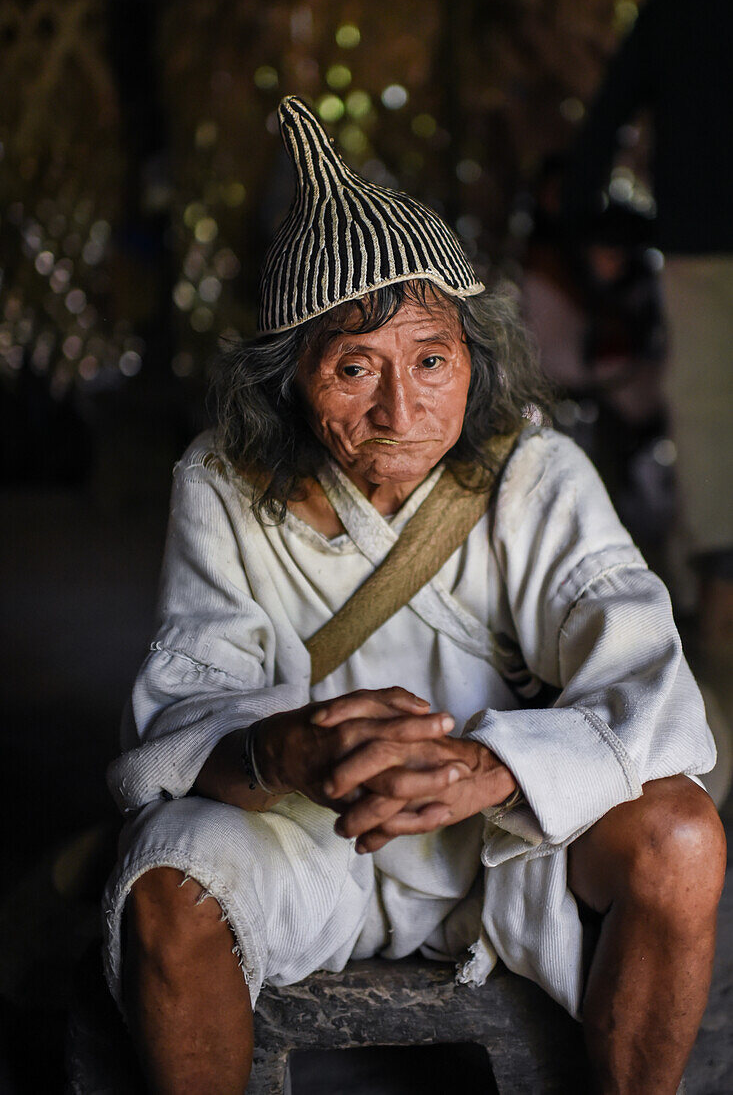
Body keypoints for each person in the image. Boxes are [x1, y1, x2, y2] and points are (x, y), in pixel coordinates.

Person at [103, 97, 725, 1095]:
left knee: (681, 836)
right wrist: (282, 747)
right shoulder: (220, 484)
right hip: (308, 833)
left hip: (509, 843)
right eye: (355, 367)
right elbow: (178, 714)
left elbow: (653, 692)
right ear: (289, 383)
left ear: (472, 358)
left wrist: (495, 763)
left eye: (430, 359)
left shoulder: (534, 470)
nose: (401, 408)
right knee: (169, 890)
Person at [561, 0, 733, 800]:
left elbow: (606, 118)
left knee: (707, 432)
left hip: (699, 242)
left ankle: (719, 596)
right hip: (696, 242)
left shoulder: (674, 12)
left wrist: (580, 229)